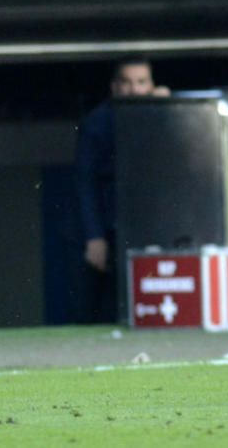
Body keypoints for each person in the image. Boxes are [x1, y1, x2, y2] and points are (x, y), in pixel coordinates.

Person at [75, 56, 170, 322]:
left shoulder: (160, 112)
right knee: (100, 304)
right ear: (114, 87)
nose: (135, 90)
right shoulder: (97, 123)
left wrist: (168, 109)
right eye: (127, 83)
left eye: (141, 82)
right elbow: (86, 181)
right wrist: (94, 236)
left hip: (151, 226)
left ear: (151, 85)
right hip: (110, 225)